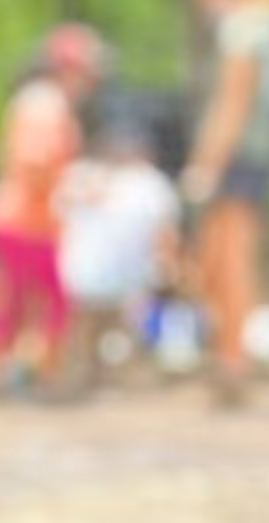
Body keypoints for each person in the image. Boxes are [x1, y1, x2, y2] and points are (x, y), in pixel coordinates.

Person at [182, 0, 269, 404]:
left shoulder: (244, 29)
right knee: (220, 260)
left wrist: (206, 165)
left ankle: (233, 359)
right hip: (254, 158)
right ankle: (228, 355)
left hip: (236, 160)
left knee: (229, 262)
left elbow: (233, 103)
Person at [0, 23, 104, 394]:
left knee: (18, 302)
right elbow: (34, 163)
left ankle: (8, 372)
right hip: (25, 221)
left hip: (27, 220)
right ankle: (39, 375)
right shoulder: (46, 104)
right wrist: (70, 189)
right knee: (45, 303)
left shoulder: (37, 99)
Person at [56, 117, 182, 382]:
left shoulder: (82, 175)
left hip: (88, 271)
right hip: (120, 273)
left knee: (98, 322)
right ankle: (121, 371)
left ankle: (90, 370)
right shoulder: (150, 183)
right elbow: (165, 233)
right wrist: (169, 265)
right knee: (123, 321)